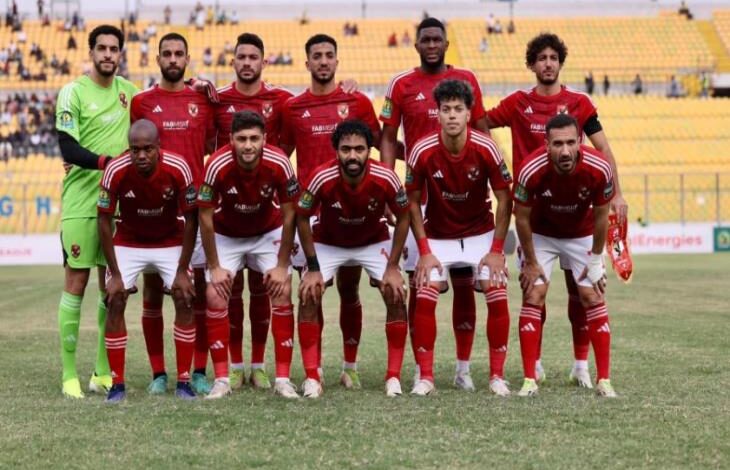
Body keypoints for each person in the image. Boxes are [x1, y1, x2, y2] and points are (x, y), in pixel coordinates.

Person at [485, 32, 627, 387]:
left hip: (577, 216)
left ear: (560, 62)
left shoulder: (579, 102)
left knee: (581, 292)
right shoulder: (518, 103)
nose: (547, 64)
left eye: (553, 58)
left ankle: (581, 365)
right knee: (535, 290)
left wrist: (618, 194)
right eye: (541, 58)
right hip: (536, 217)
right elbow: (480, 124)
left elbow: (603, 149)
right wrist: (499, 162)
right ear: (532, 64)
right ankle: (534, 364)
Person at [380, 17, 491, 391]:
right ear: (416, 45)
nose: (431, 45)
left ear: (446, 44)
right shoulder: (401, 84)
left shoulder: (466, 80)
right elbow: (388, 138)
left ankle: (463, 369)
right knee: (421, 284)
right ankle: (420, 367)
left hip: (462, 200)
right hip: (419, 204)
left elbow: (483, 132)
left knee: (463, 283)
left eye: (436, 39)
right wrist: (388, 186)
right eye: (425, 39)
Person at [280, 33, 382, 389]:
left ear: (337, 61)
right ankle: (316, 369)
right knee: (311, 290)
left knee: (350, 289)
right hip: (311, 216)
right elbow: (281, 154)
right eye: (317, 56)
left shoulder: (357, 101)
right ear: (307, 62)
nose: (323, 61)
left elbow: (377, 146)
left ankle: (350, 366)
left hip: (352, 209)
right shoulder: (292, 107)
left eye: (328, 55)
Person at [406, 79, 513, 396]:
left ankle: (491, 376)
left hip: (480, 234)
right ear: (437, 114)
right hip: (438, 236)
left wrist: (496, 250)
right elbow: (411, 200)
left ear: (469, 114)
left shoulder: (486, 147)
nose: (452, 115)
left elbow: (505, 198)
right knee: (425, 293)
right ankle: (425, 377)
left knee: (496, 290)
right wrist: (424, 251)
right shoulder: (422, 150)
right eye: (446, 109)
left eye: (458, 109)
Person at [296, 120, 410, 398]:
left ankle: (391, 377)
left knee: (396, 293)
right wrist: (313, 268)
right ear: (336, 151)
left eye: (359, 149)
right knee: (309, 293)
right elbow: (301, 217)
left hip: (372, 240)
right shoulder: (321, 176)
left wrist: (393, 267)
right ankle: (312, 377)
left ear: (369, 150)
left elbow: (404, 216)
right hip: (329, 242)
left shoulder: (386, 177)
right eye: (346, 149)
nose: (352, 155)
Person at [130, 32, 216, 396]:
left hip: (193, 212)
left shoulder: (202, 99)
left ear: (187, 58)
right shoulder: (142, 102)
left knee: (196, 293)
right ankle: (158, 373)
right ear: (158, 59)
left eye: (179, 53)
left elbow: (211, 144)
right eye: (167, 53)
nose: (173, 59)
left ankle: (198, 370)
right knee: (152, 292)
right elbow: (136, 152)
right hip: (155, 212)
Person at [55, 24, 138, 398]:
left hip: (117, 206)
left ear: (120, 54)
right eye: (101, 48)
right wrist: (107, 161)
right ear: (91, 52)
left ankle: (102, 372)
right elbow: (68, 148)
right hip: (80, 204)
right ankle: (69, 374)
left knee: (113, 289)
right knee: (76, 283)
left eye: (113, 49)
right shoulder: (72, 92)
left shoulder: (130, 94)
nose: (107, 54)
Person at [197, 110, 301, 399]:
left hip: (267, 231)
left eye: (254, 138)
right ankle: (222, 379)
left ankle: (282, 379)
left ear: (265, 139)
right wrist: (214, 267)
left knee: (282, 289)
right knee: (215, 293)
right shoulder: (216, 164)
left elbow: (290, 213)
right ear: (231, 140)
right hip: (227, 234)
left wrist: (282, 265)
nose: (248, 145)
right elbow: (205, 217)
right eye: (241, 139)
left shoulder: (279, 161)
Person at [513, 113, 616, 398]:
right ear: (546, 144)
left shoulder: (599, 167)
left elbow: (601, 217)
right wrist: (530, 262)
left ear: (580, 141)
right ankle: (529, 379)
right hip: (541, 234)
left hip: (581, 233)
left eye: (571, 142)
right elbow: (521, 218)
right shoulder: (530, 169)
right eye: (558, 144)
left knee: (592, 295)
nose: (566, 150)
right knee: (534, 293)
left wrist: (595, 260)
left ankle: (603, 379)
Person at [214, 33, 294, 390]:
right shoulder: (216, 98)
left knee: (267, 290)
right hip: (228, 214)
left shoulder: (283, 99)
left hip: (266, 214)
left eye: (253, 57)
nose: (247, 62)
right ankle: (232, 367)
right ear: (233, 61)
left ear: (264, 61)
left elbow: (302, 127)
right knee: (226, 292)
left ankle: (259, 366)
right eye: (241, 57)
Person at [98, 120, 198, 402]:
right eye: (135, 150)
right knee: (115, 298)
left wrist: (182, 270)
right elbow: (103, 221)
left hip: (169, 240)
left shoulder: (178, 167)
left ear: (158, 147)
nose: (141, 155)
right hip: (129, 241)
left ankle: (184, 381)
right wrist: (115, 274)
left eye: (148, 149)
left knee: (185, 296)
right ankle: (117, 385)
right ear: (128, 149)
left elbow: (191, 219)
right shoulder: (115, 170)